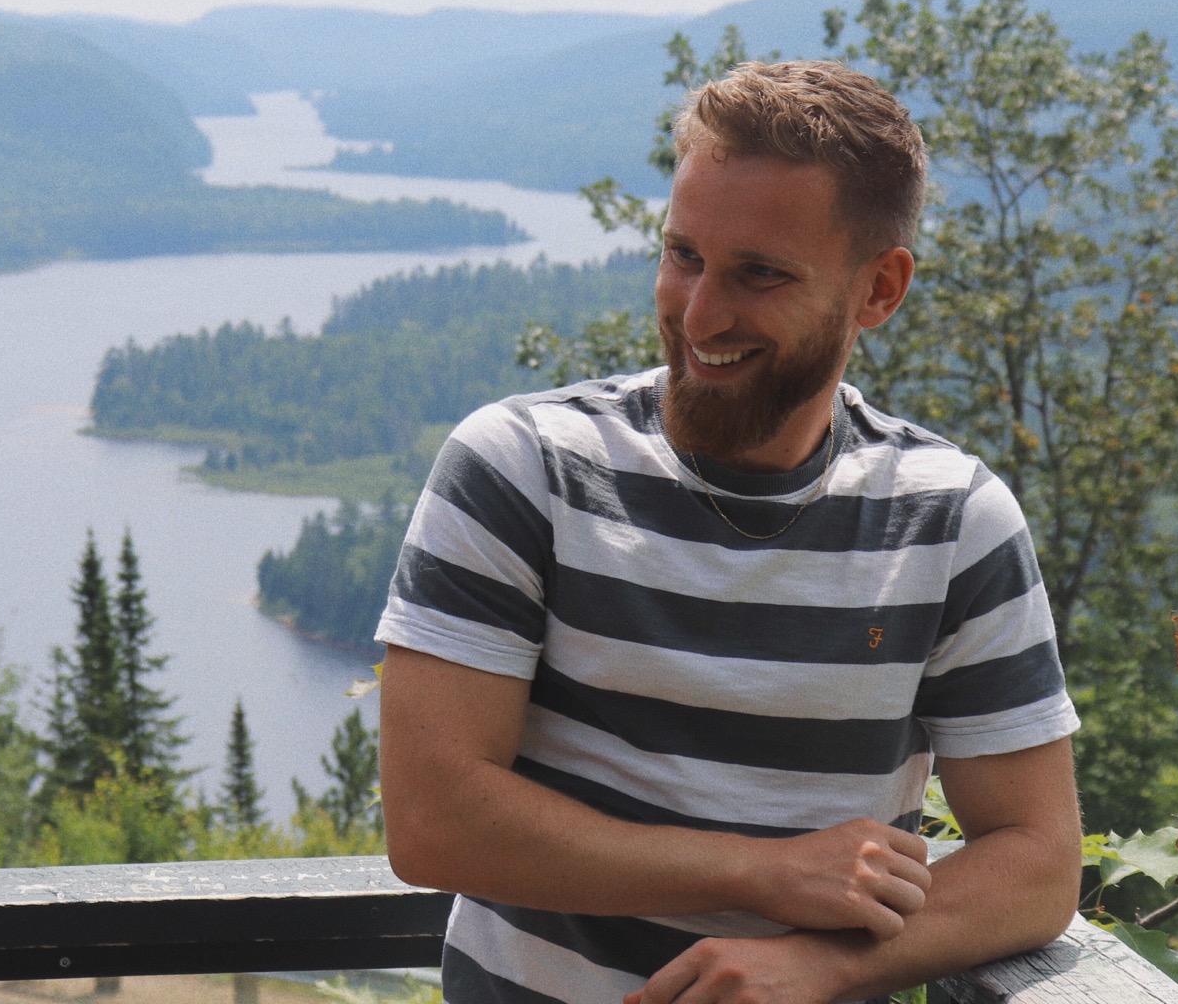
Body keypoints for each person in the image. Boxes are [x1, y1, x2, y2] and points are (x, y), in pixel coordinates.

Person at [375, 60, 1083, 1004]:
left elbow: (1038, 861)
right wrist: (758, 873)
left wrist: (826, 964)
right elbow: (433, 823)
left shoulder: (950, 522)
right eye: (683, 256)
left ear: (879, 290)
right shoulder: (525, 469)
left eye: (760, 274)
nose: (701, 314)